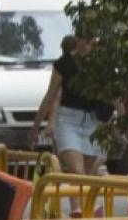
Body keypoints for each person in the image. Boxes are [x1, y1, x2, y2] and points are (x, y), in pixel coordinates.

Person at [33, 35, 110, 175]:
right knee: (77, 170)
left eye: (92, 43)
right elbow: (51, 96)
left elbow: (113, 94)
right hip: (68, 120)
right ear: (78, 41)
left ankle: (77, 198)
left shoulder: (101, 65)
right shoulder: (64, 63)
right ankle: (76, 195)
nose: (88, 46)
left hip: (92, 123)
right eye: (85, 40)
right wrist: (36, 126)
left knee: (86, 175)